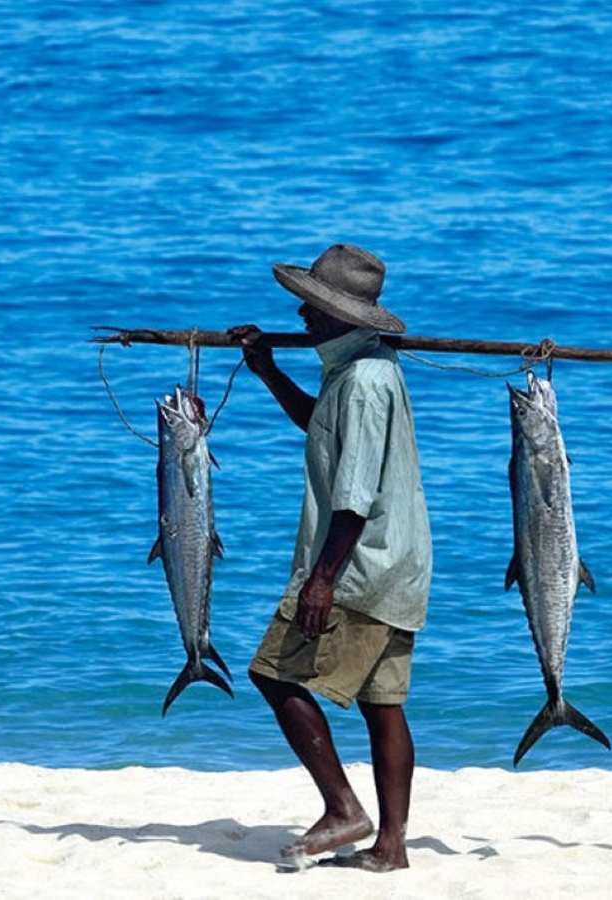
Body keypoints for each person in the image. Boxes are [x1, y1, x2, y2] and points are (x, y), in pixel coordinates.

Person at [229, 244, 432, 873]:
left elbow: (353, 495)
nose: (303, 312)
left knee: (272, 673)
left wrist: (322, 580)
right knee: (382, 702)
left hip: (359, 564)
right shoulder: (354, 370)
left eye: (316, 305)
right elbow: (321, 427)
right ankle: (391, 846)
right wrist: (266, 371)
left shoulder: (368, 381)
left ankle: (343, 809)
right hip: (397, 563)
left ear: (348, 316)